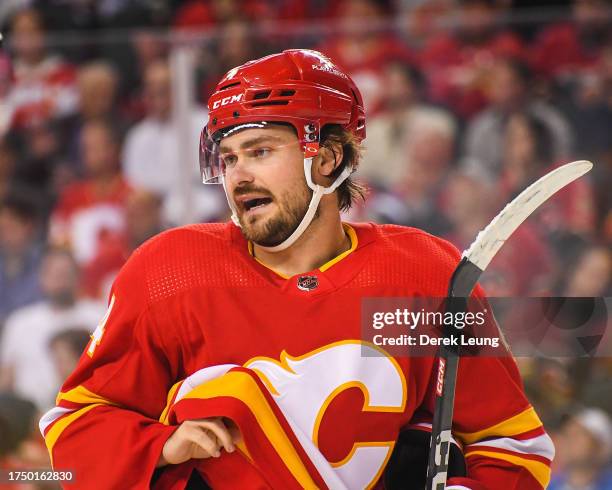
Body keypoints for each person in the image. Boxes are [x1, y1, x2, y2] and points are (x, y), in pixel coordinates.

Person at [40, 50, 554, 489]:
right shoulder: (169, 271)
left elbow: (510, 444)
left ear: (328, 159)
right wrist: (158, 446)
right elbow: (74, 429)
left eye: (260, 152)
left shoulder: (422, 275)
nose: (239, 176)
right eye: (229, 158)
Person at [0, 248, 105, 410]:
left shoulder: (99, 316)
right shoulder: (20, 322)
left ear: (78, 277)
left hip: (83, 408)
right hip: (29, 414)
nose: (61, 281)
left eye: (66, 274)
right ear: (42, 278)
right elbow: (5, 378)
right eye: (55, 274)